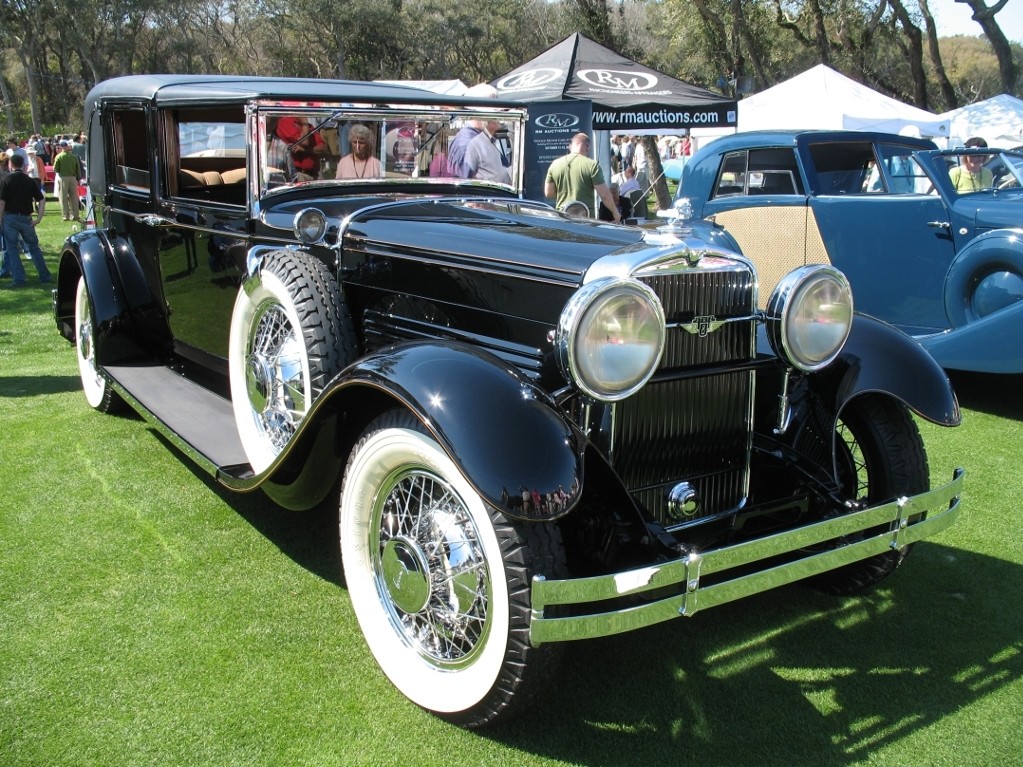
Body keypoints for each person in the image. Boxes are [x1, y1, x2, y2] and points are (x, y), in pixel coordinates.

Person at [544, 132, 620, 221]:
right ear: (587, 147)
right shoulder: (592, 165)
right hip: (585, 218)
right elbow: (604, 195)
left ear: (571, 146)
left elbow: (549, 193)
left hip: (562, 217)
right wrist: (615, 212)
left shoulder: (555, 164)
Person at [0, 152, 50, 286]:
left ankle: (19, 279)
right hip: (26, 218)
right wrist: (38, 218)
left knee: (12, 248)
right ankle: (44, 275)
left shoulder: (7, 180)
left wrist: (0, 219)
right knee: (34, 247)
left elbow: (2, 202)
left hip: (10, 218)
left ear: (11, 164)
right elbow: (41, 199)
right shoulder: (29, 180)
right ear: (23, 165)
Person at [463, 119, 510, 183]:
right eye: (496, 120)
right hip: (487, 191)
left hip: (503, 189)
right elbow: (467, 176)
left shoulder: (498, 139)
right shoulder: (475, 144)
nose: (500, 122)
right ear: (489, 122)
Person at [52, 140, 83, 221]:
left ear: (62, 147)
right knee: (74, 197)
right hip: (73, 178)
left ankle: (66, 216)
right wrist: (79, 178)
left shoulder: (59, 156)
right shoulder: (73, 156)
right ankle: (76, 215)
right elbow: (78, 169)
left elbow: (55, 169)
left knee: (63, 197)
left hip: (63, 178)